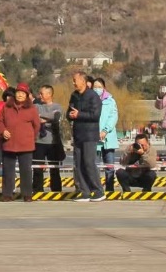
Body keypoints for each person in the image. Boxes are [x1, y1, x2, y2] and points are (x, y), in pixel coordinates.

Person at [0, 83, 41, 202]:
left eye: (23, 93)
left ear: (27, 95)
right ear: (14, 94)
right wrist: (3, 131)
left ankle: (27, 194)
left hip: (26, 145)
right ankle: (7, 194)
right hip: (9, 144)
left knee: (26, 171)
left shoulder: (32, 109)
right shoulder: (6, 107)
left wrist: (30, 137)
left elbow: (37, 126)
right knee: (8, 170)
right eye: (18, 92)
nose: (20, 95)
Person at [67, 72, 103, 202]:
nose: (73, 83)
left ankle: (98, 191)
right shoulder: (74, 95)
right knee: (78, 164)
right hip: (78, 134)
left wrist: (79, 115)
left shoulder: (93, 96)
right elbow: (69, 112)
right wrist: (70, 115)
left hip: (89, 135)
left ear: (83, 81)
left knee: (88, 163)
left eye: (75, 80)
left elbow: (95, 115)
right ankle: (84, 192)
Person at [33, 85, 65, 194]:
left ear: (49, 94)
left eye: (42, 93)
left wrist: (43, 118)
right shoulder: (36, 106)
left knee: (54, 169)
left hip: (53, 142)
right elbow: (33, 117)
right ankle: (37, 190)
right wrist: (48, 119)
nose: (39, 96)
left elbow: (56, 116)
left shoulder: (57, 106)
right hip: (38, 142)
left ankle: (56, 190)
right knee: (37, 168)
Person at [93, 79, 118, 194]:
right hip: (94, 138)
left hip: (108, 138)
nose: (97, 89)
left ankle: (110, 189)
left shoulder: (111, 101)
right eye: (95, 87)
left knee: (109, 166)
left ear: (104, 88)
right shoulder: (90, 101)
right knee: (95, 166)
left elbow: (113, 117)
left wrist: (105, 130)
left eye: (99, 87)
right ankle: (97, 189)